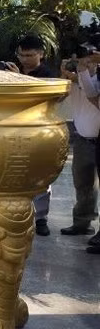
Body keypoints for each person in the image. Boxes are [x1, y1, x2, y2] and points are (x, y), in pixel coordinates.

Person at [0, 34, 54, 236]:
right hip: (14, 130)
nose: (24, 59)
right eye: (21, 55)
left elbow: (40, 95)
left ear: (40, 54)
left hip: (39, 130)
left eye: (29, 55)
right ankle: (15, 215)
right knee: (14, 174)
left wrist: (18, 79)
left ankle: (40, 219)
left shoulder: (47, 73)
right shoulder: (14, 70)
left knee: (40, 175)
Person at [58, 53, 100, 241]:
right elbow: (57, 98)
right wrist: (63, 75)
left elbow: (92, 94)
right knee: (83, 184)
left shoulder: (96, 83)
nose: (83, 65)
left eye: (89, 61)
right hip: (83, 141)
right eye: (81, 62)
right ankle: (81, 223)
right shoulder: (72, 85)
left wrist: (83, 75)